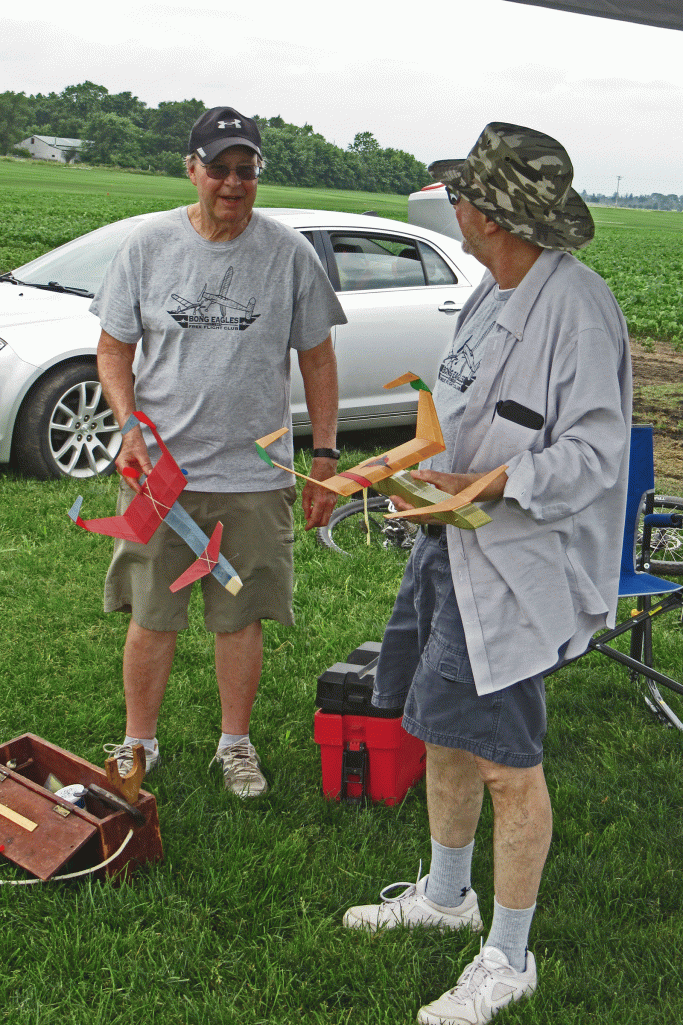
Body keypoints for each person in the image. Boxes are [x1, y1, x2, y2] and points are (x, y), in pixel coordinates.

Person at [343, 123, 632, 1024]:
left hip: (514, 565)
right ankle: (444, 896)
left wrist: (492, 482)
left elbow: (595, 452)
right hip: (452, 541)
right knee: (444, 729)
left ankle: (508, 956)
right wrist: (394, 469)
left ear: (491, 214)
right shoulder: (492, 288)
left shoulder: (575, 308)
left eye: (461, 194)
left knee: (508, 763)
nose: (452, 205)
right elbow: (461, 413)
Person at [92, 106, 346, 797]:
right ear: (192, 170)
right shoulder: (148, 247)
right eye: (220, 169)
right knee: (151, 613)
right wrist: (129, 428)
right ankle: (138, 742)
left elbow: (318, 360)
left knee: (240, 616)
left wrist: (324, 454)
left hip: (253, 476)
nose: (233, 183)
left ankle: (235, 744)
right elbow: (113, 351)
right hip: (158, 472)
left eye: (246, 170)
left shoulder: (287, 254)